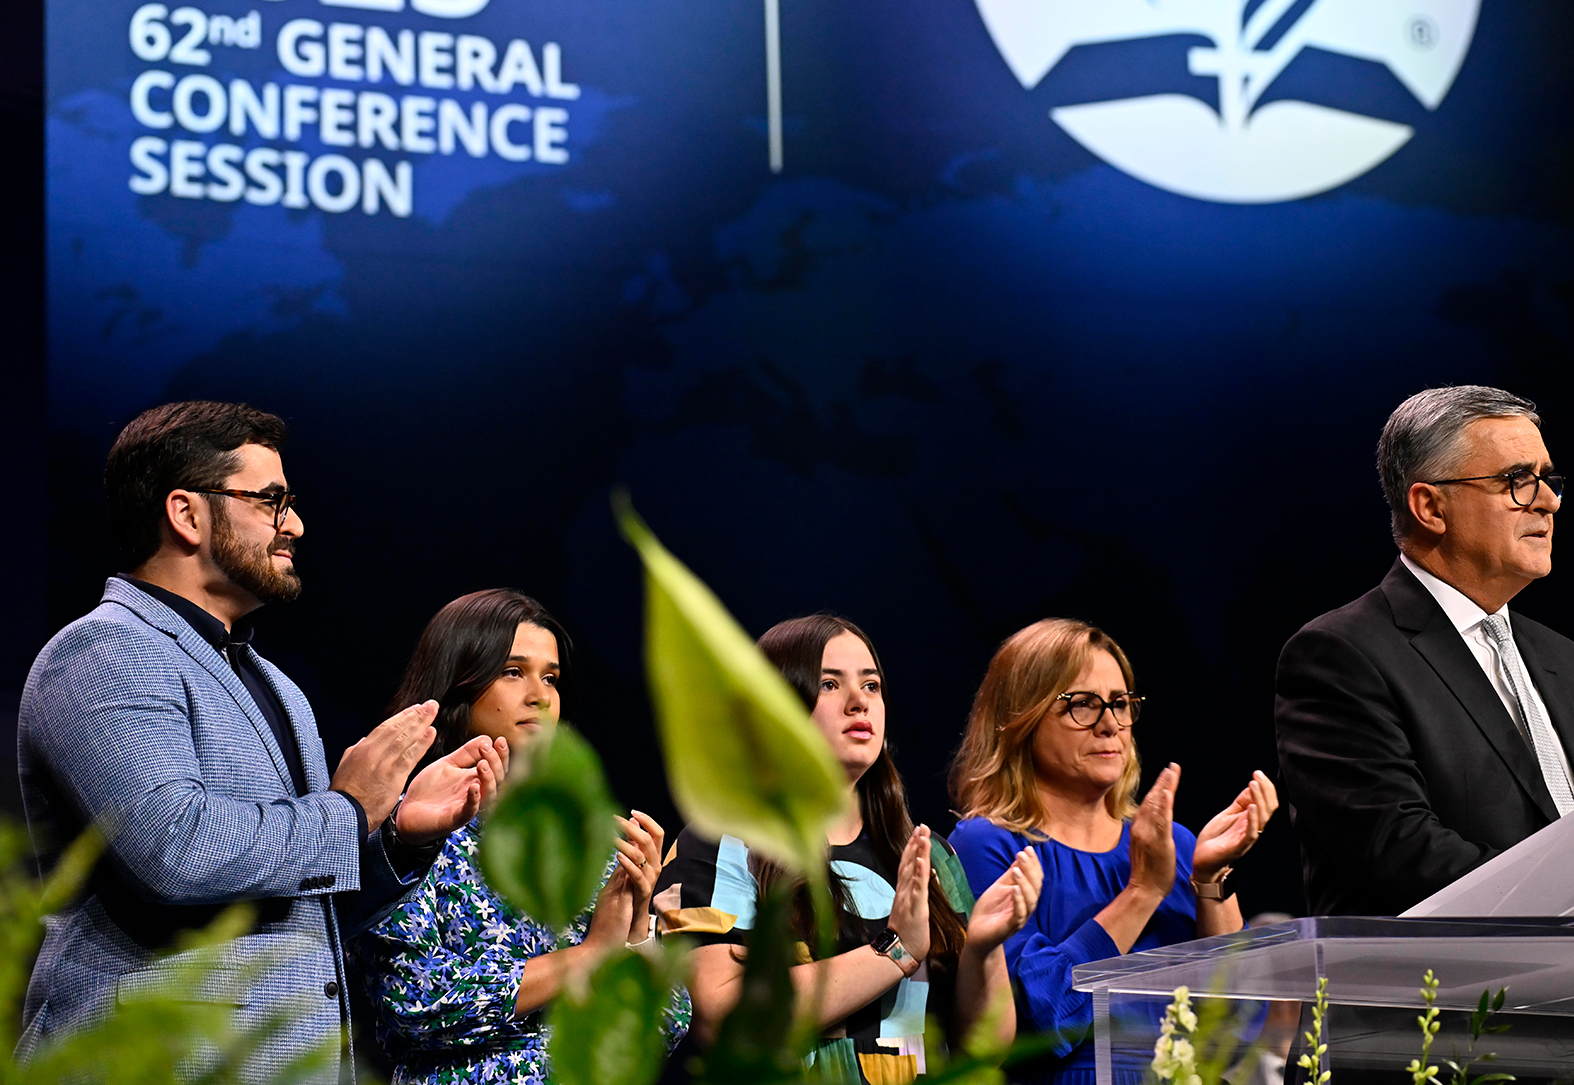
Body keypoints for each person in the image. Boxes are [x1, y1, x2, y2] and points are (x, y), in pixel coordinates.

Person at [16, 401, 506, 1081]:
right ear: (186, 514)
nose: (295, 526)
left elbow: (300, 912)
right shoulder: (104, 652)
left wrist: (397, 837)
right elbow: (174, 851)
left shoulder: (273, 684)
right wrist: (349, 809)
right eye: (270, 501)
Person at [1273, 385, 1574, 917]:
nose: (1549, 501)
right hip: (1439, 991)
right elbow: (1400, 851)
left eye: (1547, 478)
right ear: (1430, 506)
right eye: (1517, 480)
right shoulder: (1341, 656)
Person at [654, 614, 1043, 1084]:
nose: (860, 702)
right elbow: (728, 1021)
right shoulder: (724, 844)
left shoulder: (930, 856)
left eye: (872, 685)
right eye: (829, 684)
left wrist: (984, 948)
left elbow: (985, 1047)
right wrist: (895, 951)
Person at [354, 589, 690, 1083]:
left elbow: (663, 1026)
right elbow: (417, 1002)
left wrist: (638, 925)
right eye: (513, 672)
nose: (540, 695)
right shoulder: (406, 834)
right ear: (457, 682)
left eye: (551, 678)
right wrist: (590, 955)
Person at [948, 618, 1278, 1085]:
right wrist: (1142, 893)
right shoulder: (987, 844)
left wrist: (1210, 877)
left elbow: (1233, 1035)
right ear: (1020, 718)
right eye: (1082, 704)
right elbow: (1044, 1016)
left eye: (1120, 704)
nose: (1109, 725)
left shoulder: (1176, 845)